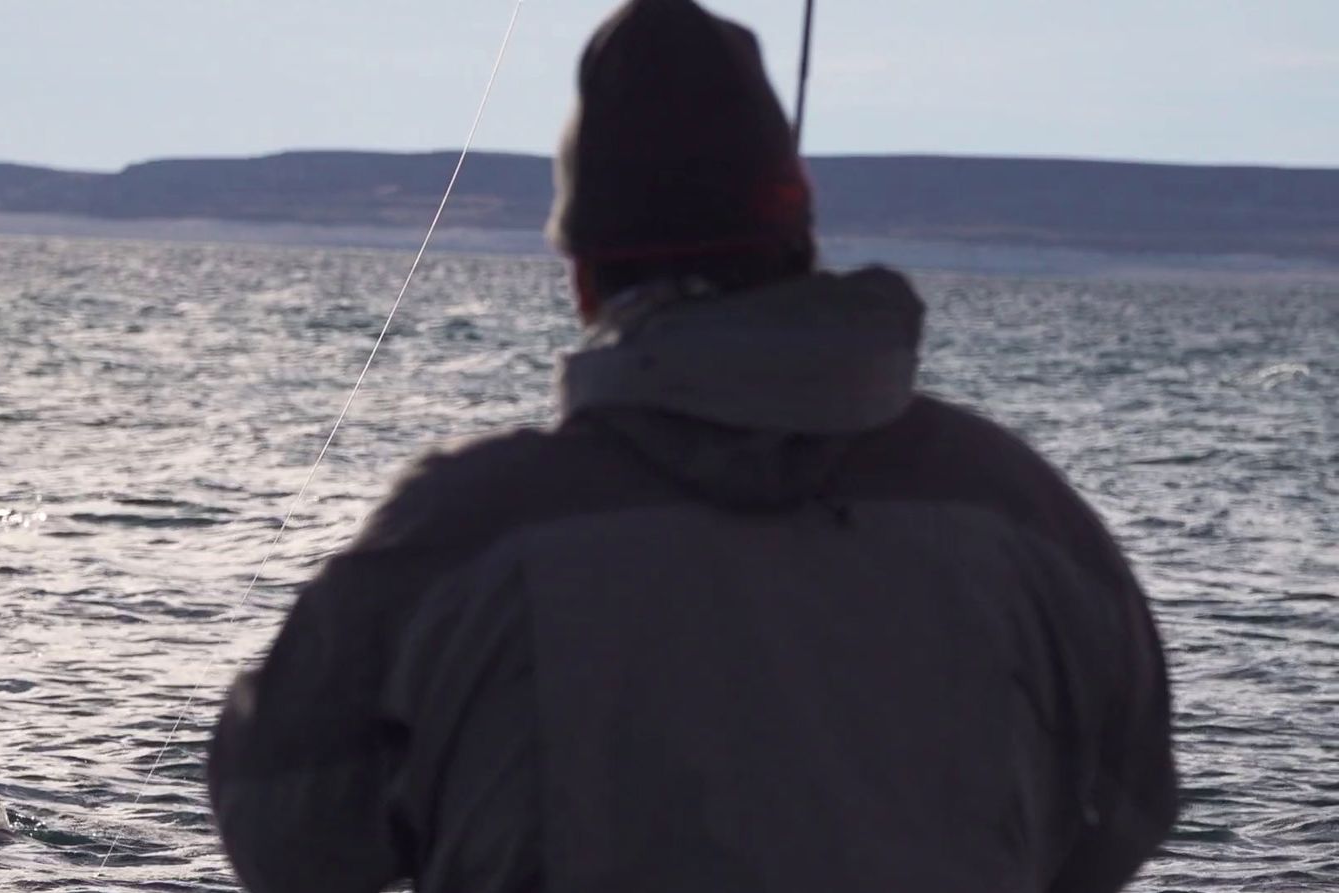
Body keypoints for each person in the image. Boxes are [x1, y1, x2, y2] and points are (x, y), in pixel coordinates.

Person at [208, 1, 1179, 891]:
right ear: (796, 244)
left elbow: (281, 832)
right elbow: (1127, 802)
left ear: (583, 279)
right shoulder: (1021, 508)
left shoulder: (459, 531)